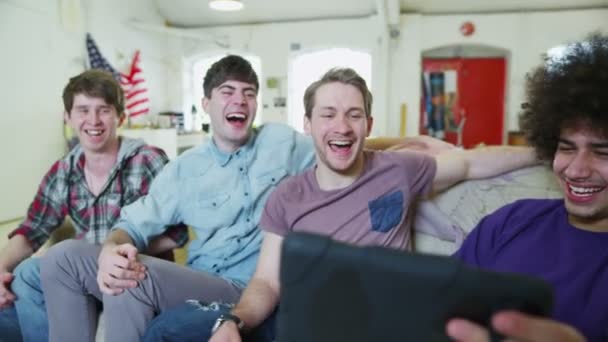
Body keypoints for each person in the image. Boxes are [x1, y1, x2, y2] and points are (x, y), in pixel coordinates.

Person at [39, 56, 456, 342]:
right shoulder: (182, 170)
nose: (239, 100)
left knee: (128, 281)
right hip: (202, 280)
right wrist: (113, 247)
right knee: (63, 259)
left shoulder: (280, 142)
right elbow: (134, 222)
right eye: (226, 91)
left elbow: (339, 140)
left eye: (248, 92)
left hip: (259, 286)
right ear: (206, 104)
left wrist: (410, 142)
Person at [141, 67, 538, 342]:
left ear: (368, 123)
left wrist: (545, 151)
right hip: (298, 317)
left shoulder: (398, 170)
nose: (342, 126)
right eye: (328, 114)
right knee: (167, 329)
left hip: (373, 319)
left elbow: (470, 162)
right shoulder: (288, 195)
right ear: (309, 125)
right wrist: (234, 321)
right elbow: (266, 283)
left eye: (354, 115)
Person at [0, 69, 185, 342]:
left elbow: (178, 232)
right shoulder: (63, 170)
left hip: (136, 272)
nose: (93, 120)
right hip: (81, 274)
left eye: (104, 110)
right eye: (83, 110)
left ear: (120, 117)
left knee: (56, 261)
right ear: (68, 117)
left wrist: (116, 256)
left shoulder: (148, 161)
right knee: (24, 275)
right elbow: (32, 230)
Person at [445, 33, 608, 342]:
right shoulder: (509, 222)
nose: (576, 169)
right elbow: (438, 303)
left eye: (602, 152)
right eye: (567, 147)